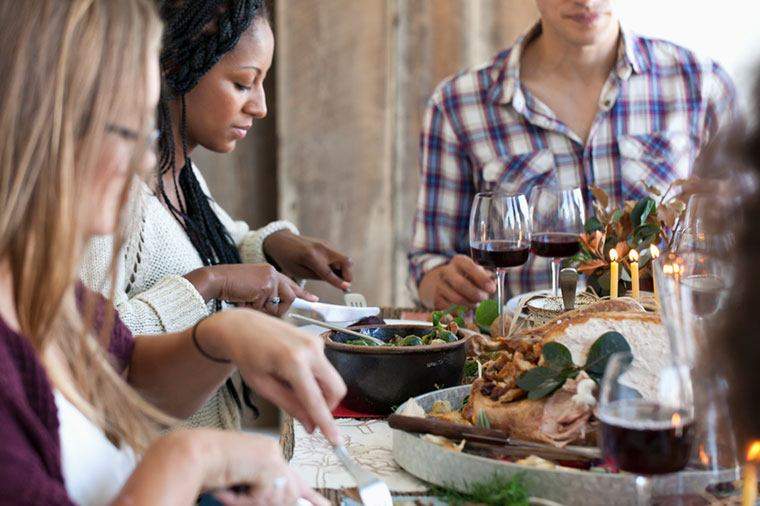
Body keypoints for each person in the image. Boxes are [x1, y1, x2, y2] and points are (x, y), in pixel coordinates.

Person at [0, 0, 340, 503]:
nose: (142, 157)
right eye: (128, 130)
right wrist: (189, 459)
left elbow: (125, 369)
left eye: (149, 131)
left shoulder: (42, 288)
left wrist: (227, 331)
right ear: (46, 121)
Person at [81, 0, 353, 429]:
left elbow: (215, 241)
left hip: (209, 463)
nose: (260, 106)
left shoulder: (184, 179)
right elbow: (92, 346)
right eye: (244, 84)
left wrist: (274, 246)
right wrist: (208, 285)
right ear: (175, 65)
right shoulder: (110, 196)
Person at [409, 0, 737, 310]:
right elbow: (427, 264)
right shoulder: (459, 104)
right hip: (525, 356)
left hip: (664, 355)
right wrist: (442, 282)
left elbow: (738, 238)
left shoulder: (700, 84)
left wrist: (729, 225)